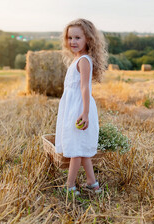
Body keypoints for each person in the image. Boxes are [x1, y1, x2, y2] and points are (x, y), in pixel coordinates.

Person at [55, 18, 108, 195]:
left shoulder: (84, 60)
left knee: (76, 149)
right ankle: (92, 183)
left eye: (78, 38)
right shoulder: (77, 59)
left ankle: (69, 186)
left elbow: (85, 87)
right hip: (73, 107)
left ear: (89, 39)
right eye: (70, 38)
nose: (73, 42)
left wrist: (84, 113)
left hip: (79, 108)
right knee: (81, 148)